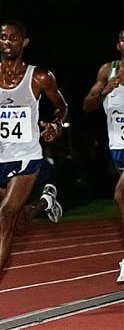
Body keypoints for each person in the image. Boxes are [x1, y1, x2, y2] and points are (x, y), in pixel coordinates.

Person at [0, 20, 68, 316]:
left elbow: (62, 107)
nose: (8, 42)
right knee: (18, 223)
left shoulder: (40, 78)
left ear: (24, 42)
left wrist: (56, 126)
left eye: (14, 38)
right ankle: (45, 202)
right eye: (3, 37)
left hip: (28, 156)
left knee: (3, 216)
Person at [83, 29, 124, 283]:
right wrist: (104, 90)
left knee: (121, 194)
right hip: (118, 148)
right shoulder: (107, 70)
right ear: (117, 44)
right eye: (122, 37)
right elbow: (87, 105)